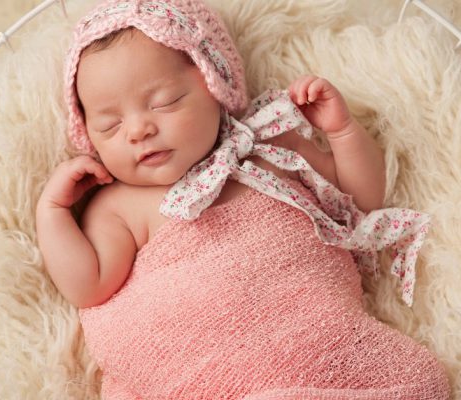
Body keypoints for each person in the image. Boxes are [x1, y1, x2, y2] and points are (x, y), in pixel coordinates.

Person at [36, 0, 450, 397]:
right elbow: (89, 286)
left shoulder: (270, 144)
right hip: (203, 367)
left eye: (165, 103)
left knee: (415, 380)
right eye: (110, 126)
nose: (138, 130)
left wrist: (341, 133)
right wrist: (53, 212)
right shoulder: (120, 204)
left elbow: (361, 197)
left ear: (217, 86)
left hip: (316, 342)